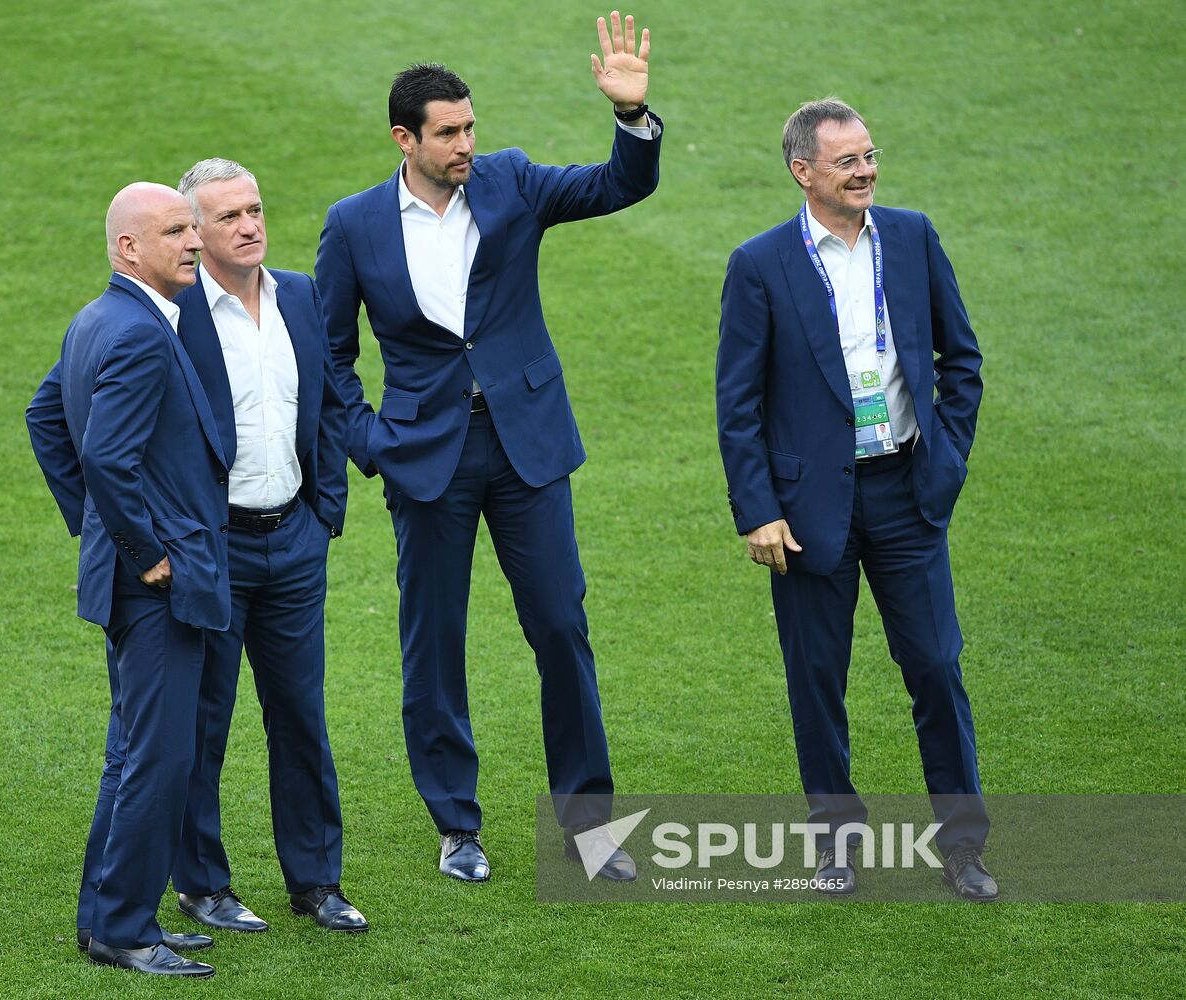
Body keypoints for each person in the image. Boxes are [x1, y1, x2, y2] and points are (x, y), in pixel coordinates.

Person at [315, 11, 661, 883]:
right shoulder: (354, 225)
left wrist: (630, 119)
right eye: (449, 132)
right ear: (406, 138)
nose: (467, 142)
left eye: (471, 126)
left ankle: (589, 828)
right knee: (433, 645)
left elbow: (616, 187)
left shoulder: (511, 181)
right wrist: (369, 440)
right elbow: (328, 354)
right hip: (425, 459)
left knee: (560, 627)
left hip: (526, 450)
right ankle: (456, 825)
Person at [715, 98, 997, 901]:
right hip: (807, 515)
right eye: (849, 161)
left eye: (870, 155)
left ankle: (964, 847)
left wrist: (945, 463)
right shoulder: (760, 265)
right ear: (804, 172)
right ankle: (835, 843)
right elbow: (738, 404)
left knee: (938, 668)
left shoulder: (910, 237)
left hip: (907, 490)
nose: (867, 170)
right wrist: (758, 509)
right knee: (817, 680)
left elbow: (961, 360)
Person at [26, 182, 230, 977]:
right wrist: (141, 548)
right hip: (157, 585)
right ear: (128, 248)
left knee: (132, 751)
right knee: (160, 755)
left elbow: (46, 417)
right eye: (174, 230)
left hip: (130, 577)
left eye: (191, 226)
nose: (192, 240)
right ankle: (124, 930)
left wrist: (98, 534)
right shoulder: (141, 331)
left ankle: (106, 916)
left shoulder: (99, 318)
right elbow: (105, 456)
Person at [167, 158, 364, 933]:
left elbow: (325, 403)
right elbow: (69, 410)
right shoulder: (173, 312)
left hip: (294, 543)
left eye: (254, 210)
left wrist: (326, 513)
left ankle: (317, 882)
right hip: (211, 550)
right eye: (228, 218)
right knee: (203, 720)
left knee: (300, 717)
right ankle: (202, 883)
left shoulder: (303, 296)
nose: (250, 225)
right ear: (194, 234)